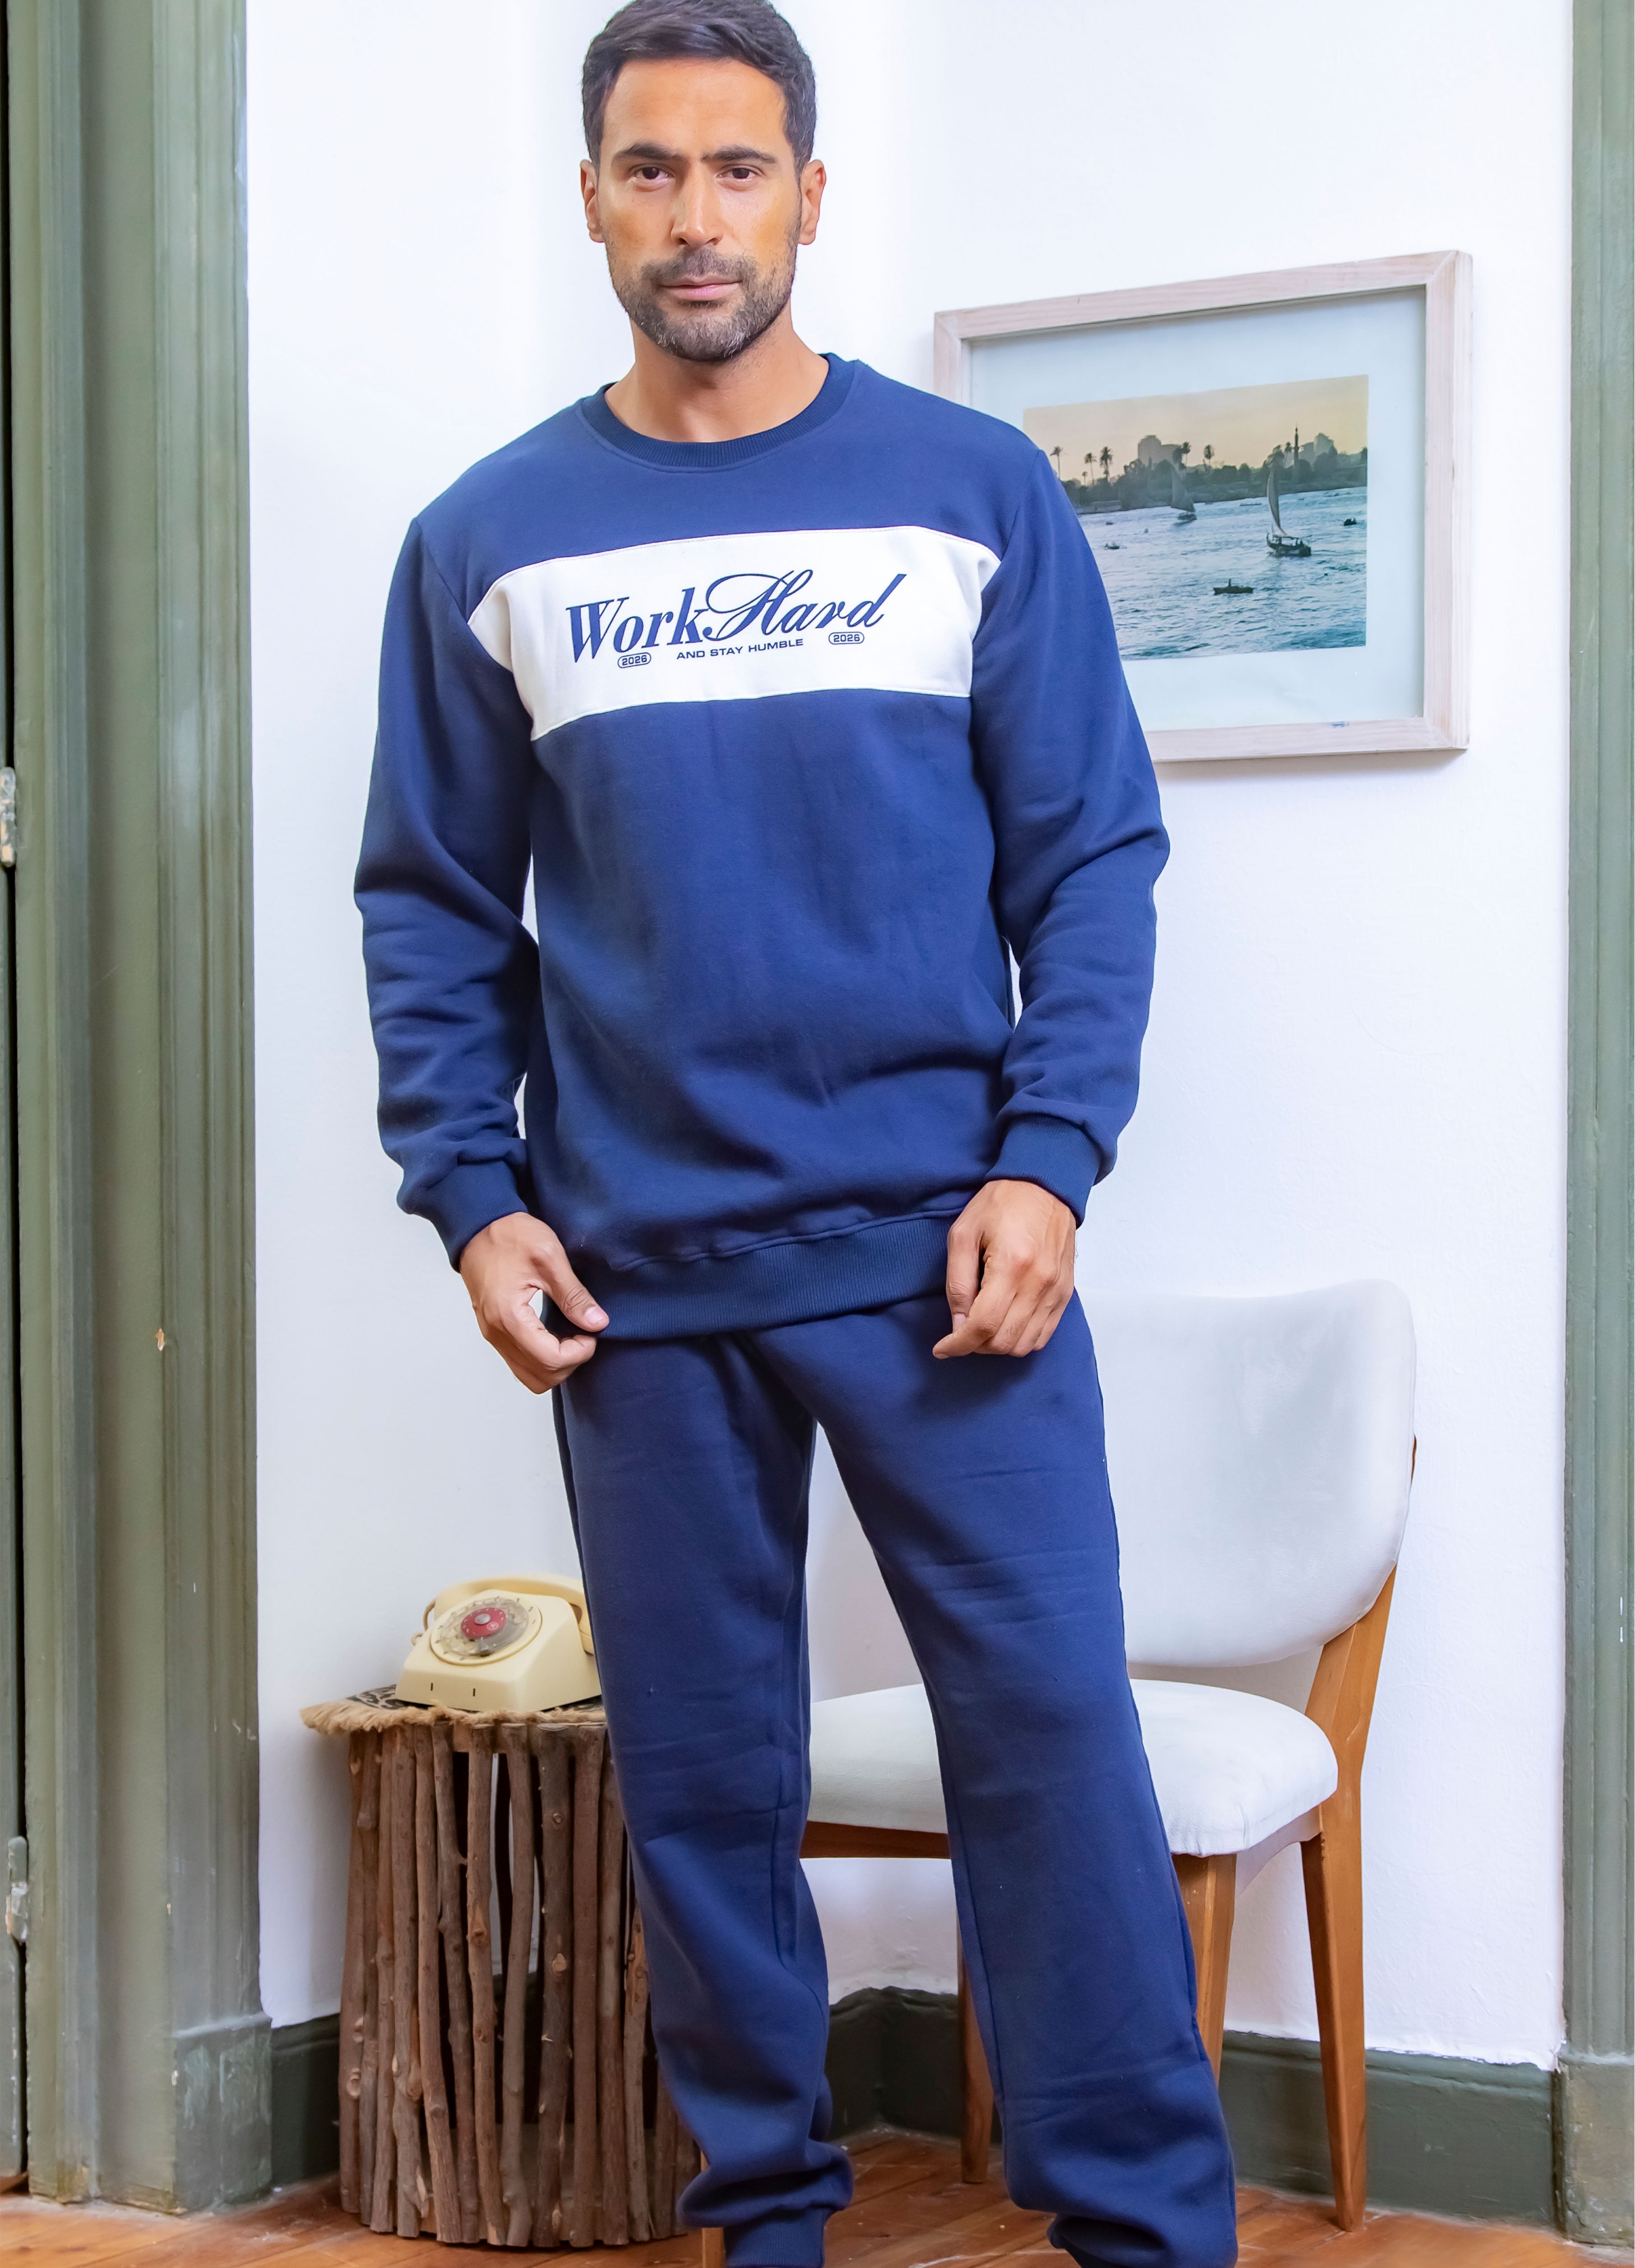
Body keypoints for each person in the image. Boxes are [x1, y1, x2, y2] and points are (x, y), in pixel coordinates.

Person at [356, 3, 1237, 2262]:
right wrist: (473, 1198)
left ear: (810, 196)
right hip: (637, 1283)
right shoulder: (488, 540)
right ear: (591, 199)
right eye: (651, 170)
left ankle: (1149, 2235)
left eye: (738, 169)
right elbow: (433, 906)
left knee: (1053, 1751)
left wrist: (1049, 1160)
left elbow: (1093, 861)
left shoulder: (974, 494)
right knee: (705, 1789)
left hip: (955, 1262)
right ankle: (769, 2225)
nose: (697, 217)